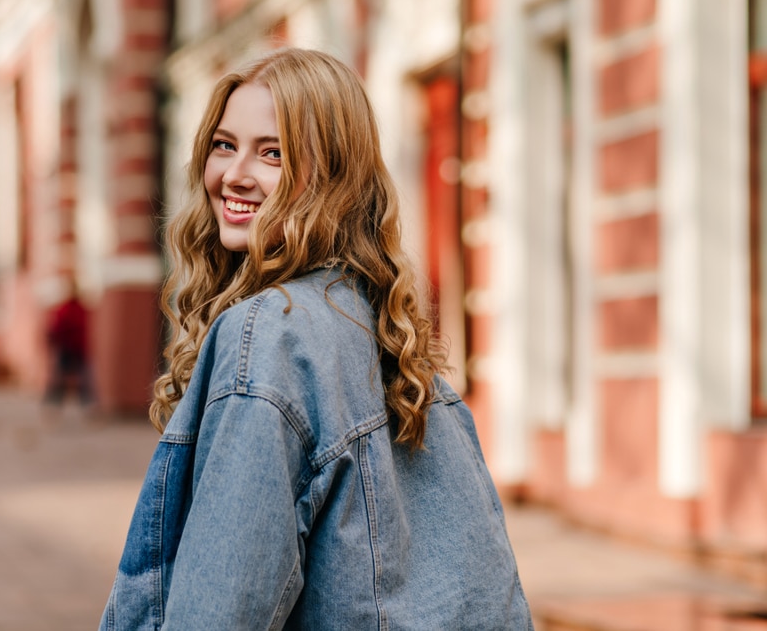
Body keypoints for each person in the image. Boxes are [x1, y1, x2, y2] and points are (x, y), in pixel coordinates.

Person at [100, 48, 533, 629]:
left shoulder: (269, 332)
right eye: (224, 145)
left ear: (330, 176)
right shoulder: (378, 327)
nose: (233, 174)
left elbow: (221, 608)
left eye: (272, 153)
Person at [42, 279, 93, 414]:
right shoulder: (66, 309)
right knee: (60, 379)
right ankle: (53, 405)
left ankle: (88, 406)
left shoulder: (79, 309)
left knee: (83, 380)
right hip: (68, 348)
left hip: (78, 348)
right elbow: (56, 329)